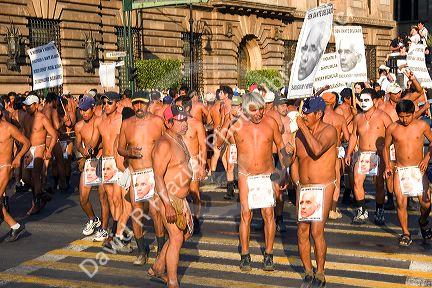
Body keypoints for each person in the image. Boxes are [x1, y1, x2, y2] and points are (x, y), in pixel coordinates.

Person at [223, 92, 287, 272]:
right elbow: (219, 142)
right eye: (254, 109)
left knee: (268, 215)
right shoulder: (237, 125)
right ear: (245, 109)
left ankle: (268, 254)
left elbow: (281, 148)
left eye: (261, 109)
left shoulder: (271, 123)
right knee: (246, 215)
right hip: (246, 176)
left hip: (267, 174)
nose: (259, 113)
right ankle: (245, 255)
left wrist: (283, 172)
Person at [288, 96, 337, 287]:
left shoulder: (329, 131)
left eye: (307, 113)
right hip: (304, 187)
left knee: (317, 230)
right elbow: (294, 161)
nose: (304, 116)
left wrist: (301, 127)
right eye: (303, 113)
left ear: (319, 114)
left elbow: (316, 149)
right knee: (302, 230)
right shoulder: (298, 134)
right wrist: (292, 171)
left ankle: (321, 272)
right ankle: (308, 271)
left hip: (323, 186)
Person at [118, 91, 165, 265]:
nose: (139, 107)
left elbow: (167, 143)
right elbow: (120, 148)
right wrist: (128, 152)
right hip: (136, 174)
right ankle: (142, 250)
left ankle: (161, 249)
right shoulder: (126, 124)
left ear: (148, 104)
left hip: (154, 172)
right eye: (136, 104)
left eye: (142, 103)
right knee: (136, 214)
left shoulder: (157, 122)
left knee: (155, 212)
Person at [148, 105, 193, 288]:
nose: (184, 124)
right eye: (180, 120)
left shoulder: (179, 139)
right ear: (169, 122)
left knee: (186, 234)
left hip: (179, 198)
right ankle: (172, 283)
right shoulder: (164, 144)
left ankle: (158, 266)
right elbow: (157, 176)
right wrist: (167, 205)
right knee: (176, 238)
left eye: (185, 119)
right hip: (168, 197)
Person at [383, 100, 432, 246]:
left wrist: (427, 158)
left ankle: (423, 221)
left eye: (408, 116)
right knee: (400, 202)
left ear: (413, 113)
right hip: (400, 169)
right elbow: (385, 148)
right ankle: (406, 233)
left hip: (419, 169)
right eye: (402, 116)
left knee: (426, 203)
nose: (405, 120)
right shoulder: (392, 128)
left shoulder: (422, 125)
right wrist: (387, 166)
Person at [345, 88, 392, 225]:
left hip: (379, 155)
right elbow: (354, 136)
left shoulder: (383, 116)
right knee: (357, 182)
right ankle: (361, 211)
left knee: (379, 185)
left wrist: (389, 155)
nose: (364, 103)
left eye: (367, 100)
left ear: (375, 101)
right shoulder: (358, 117)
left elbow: (392, 132)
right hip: (363, 155)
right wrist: (349, 153)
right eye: (362, 100)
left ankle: (379, 211)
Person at [74, 96, 109, 239]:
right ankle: (93, 219)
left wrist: (95, 147)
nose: (83, 113)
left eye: (85, 110)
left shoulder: (100, 121)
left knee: (103, 196)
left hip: (102, 159)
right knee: (83, 198)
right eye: (81, 110)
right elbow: (77, 144)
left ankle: (104, 228)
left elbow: (106, 139)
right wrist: (82, 153)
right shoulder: (78, 126)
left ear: (93, 108)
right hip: (89, 162)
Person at [22, 94, 58, 215]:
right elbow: (24, 133)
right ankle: (41, 194)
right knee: (25, 178)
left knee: (36, 176)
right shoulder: (26, 118)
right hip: (28, 150)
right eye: (26, 106)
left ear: (36, 105)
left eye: (29, 105)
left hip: (39, 148)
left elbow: (54, 135)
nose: (27, 108)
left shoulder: (42, 118)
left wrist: (49, 150)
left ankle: (36, 203)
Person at [0, 105, 30, 241]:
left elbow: (26, 142)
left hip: (5, 167)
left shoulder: (9, 128)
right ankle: (15, 226)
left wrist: (18, 157)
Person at [322, 92, 350, 219]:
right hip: (336, 150)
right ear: (334, 102)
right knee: (336, 182)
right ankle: (332, 209)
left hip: (321, 151)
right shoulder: (340, 118)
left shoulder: (319, 117)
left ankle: (323, 207)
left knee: (321, 180)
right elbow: (348, 137)